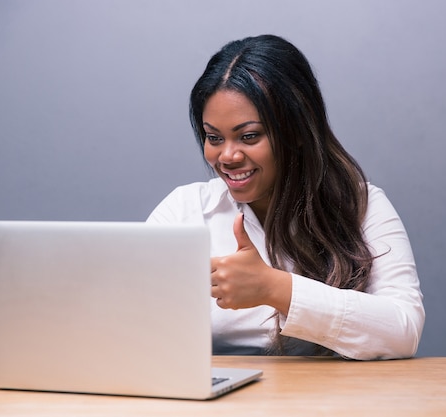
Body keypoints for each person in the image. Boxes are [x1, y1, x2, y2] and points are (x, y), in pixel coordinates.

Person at [147, 34, 424, 360]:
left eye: (249, 136)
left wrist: (274, 288)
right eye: (213, 138)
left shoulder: (362, 206)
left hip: (330, 404)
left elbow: (403, 331)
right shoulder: (184, 211)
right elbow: (129, 322)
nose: (227, 156)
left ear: (296, 132)